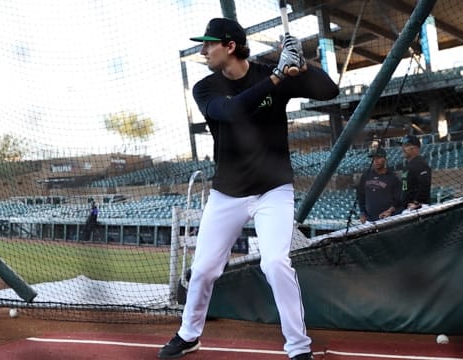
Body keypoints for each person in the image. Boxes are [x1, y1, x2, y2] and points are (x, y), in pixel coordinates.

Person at [158, 18, 339, 360]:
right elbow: (231, 111)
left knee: (275, 264)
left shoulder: (273, 73)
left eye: (209, 44)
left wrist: (302, 65)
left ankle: (299, 348)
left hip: (273, 190)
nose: (203, 50)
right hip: (228, 192)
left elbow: (329, 91)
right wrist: (276, 77)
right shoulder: (206, 88)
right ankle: (188, 334)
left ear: (229, 46)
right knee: (204, 269)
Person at [357, 147, 401, 223]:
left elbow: (399, 200)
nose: (376, 161)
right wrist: (362, 212)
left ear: (385, 159)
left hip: (387, 219)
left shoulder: (393, 177)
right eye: (373, 158)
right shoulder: (366, 176)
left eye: (378, 158)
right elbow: (361, 196)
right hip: (369, 220)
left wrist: (389, 211)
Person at [400, 134, 432, 210]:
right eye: (402, 146)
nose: (403, 148)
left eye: (406, 146)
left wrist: (416, 202)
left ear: (416, 148)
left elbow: (425, 185)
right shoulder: (409, 165)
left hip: (418, 208)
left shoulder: (420, 164)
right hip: (408, 208)